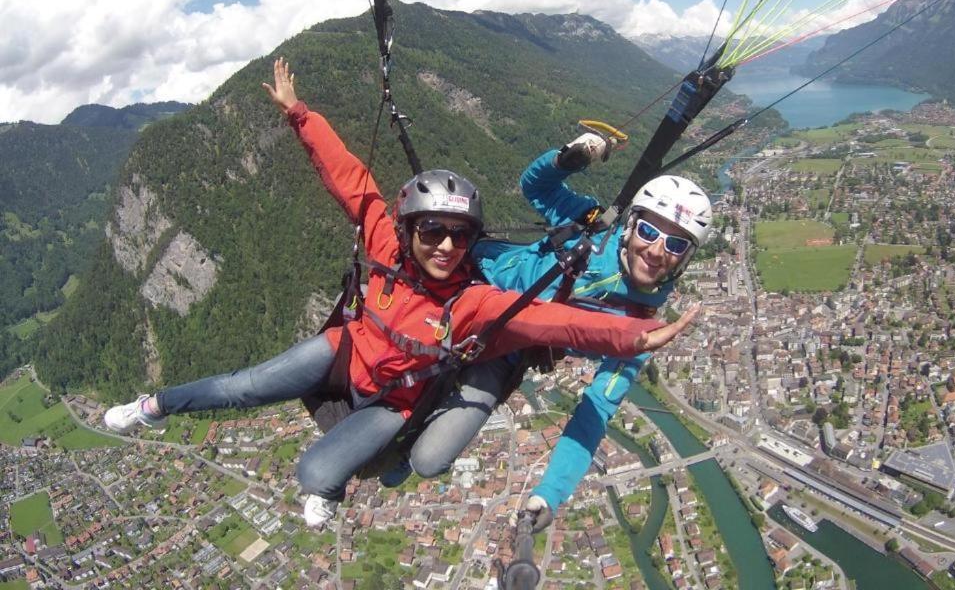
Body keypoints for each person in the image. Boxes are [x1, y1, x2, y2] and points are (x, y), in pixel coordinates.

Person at [103, 59, 693, 527]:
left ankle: (336, 485)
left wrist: (636, 334)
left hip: (398, 395)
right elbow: (352, 181)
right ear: (409, 230)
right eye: (432, 232)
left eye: (459, 236)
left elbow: (554, 325)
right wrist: (298, 114)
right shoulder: (390, 245)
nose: (444, 246)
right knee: (247, 385)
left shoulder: (472, 304)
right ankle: (155, 406)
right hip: (348, 350)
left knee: (320, 473)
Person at [382, 130, 711, 531]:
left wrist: (550, 492)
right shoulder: (593, 226)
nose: (658, 251)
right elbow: (535, 186)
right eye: (649, 231)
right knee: (395, 349)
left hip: (508, 346)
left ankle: (406, 441)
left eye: (676, 244)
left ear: (686, 259)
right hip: (475, 278)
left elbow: (595, 413)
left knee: (431, 453)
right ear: (630, 226)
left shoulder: (638, 330)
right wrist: (567, 159)